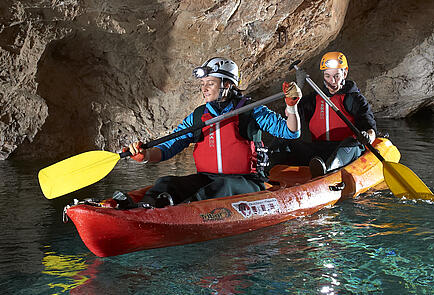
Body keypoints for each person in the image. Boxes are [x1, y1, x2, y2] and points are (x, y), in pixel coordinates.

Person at [118, 57, 302, 207]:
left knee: (220, 187)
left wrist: (291, 108)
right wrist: (146, 155)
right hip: (207, 178)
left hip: (246, 181)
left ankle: (179, 210)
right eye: (203, 83)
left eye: (210, 83)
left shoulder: (251, 110)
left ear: (228, 85)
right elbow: (169, 147)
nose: (204, 88)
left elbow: (290, 132)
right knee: (165, 182)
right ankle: (143, 206)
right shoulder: (199, 116)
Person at [273, 51, 378, 176]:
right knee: (285, 141)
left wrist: (367, 136)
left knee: (350, 143)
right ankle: (265, 168)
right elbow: (289, 113)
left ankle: (327, 172)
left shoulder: (354, 99)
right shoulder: (314, 99)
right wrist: (298, 89)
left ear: (345, 73)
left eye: (336, 76)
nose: (332, 81)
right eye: (327, 76)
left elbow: (370, 128)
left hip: (346, 150)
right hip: (320, 150)